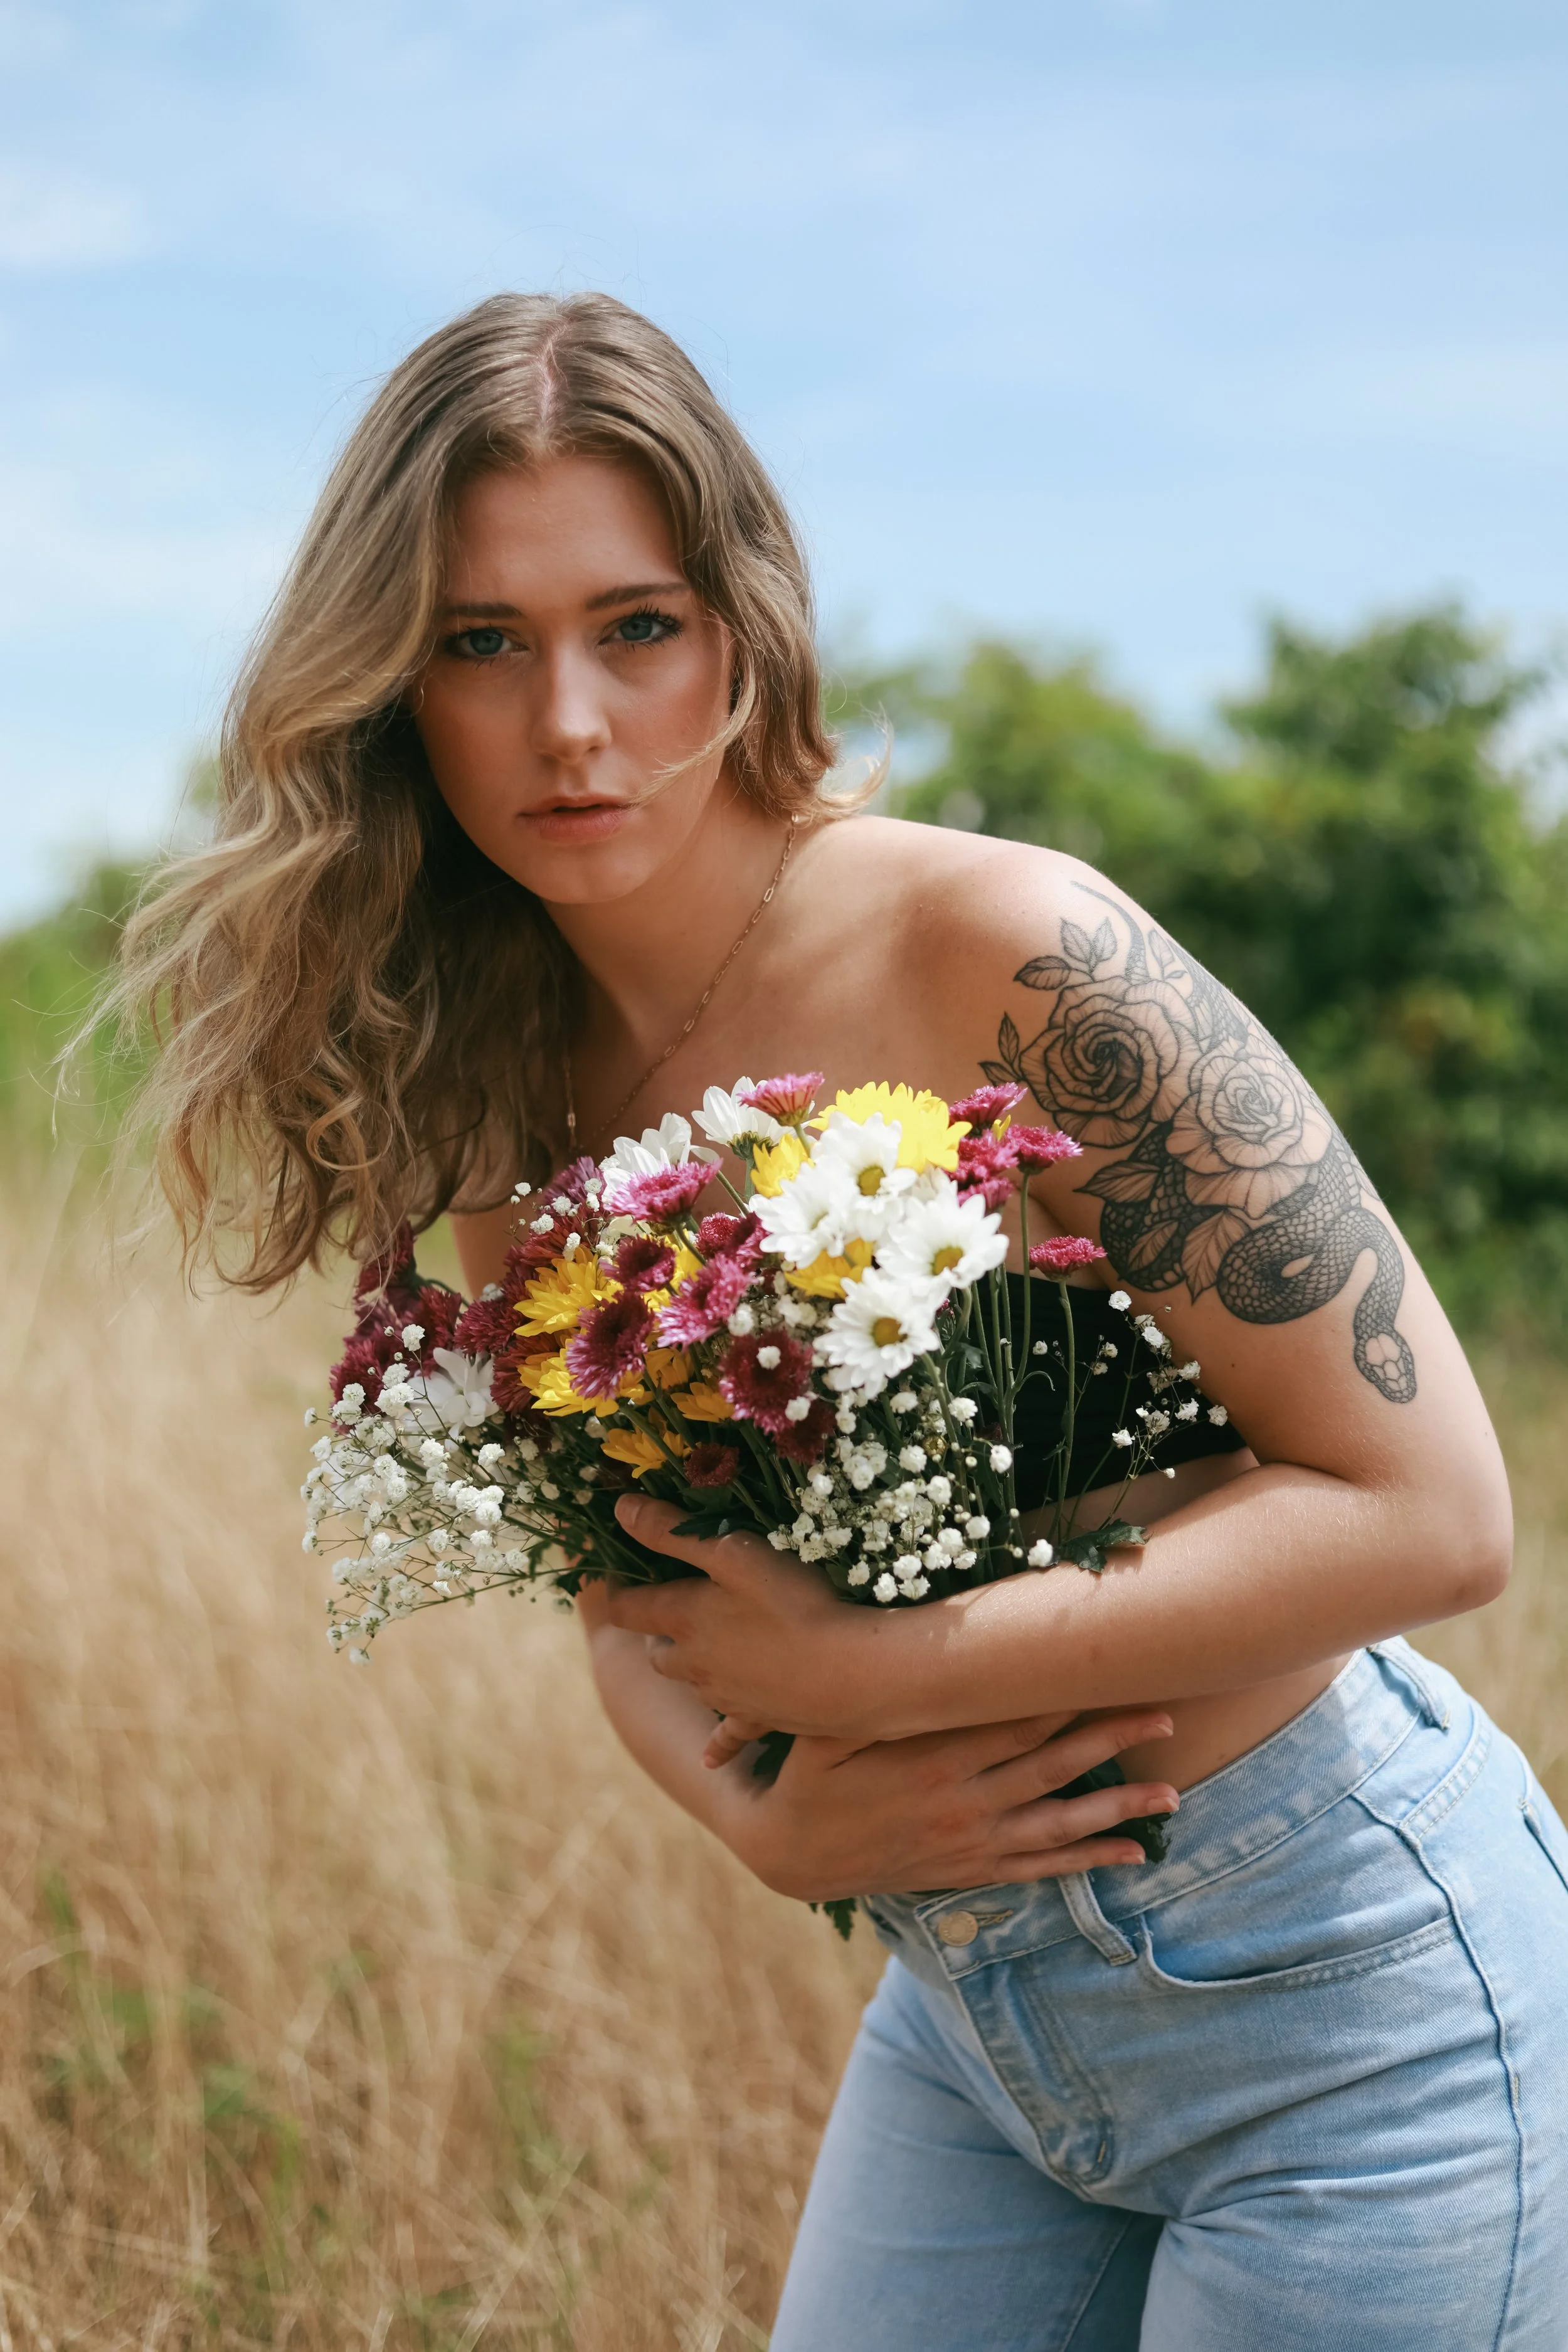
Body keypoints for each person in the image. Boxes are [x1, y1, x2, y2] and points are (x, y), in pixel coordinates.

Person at [117, 292, 1568, 2349]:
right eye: (477, 641)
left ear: (742, 625)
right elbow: (630, 1588)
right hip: (971, 2028)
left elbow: (1434, 1511)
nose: (568, 726)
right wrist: (754, 1804)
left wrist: (884, 1669)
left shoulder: (1004, 947)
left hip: (1345, 2001)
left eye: (635, 625)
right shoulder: (493, 1089)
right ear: (388, 686)